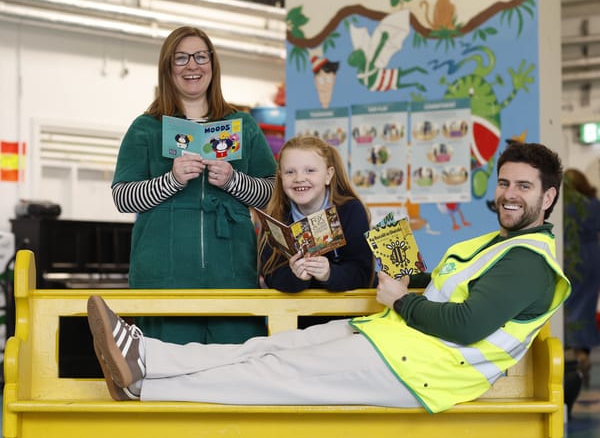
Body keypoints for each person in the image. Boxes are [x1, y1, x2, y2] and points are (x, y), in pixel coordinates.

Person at [88, 142, 570, 412]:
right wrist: (406, 274)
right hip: (394, 338)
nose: (509, 193)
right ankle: (146, 353)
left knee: (275, 375)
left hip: (419, 367)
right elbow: (434, 289)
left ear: (547, 198)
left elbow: (464, 324)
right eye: (505, 182)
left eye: (523, 186)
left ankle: (145, 386)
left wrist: (401, 298)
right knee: (267, 349)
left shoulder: (531, 260)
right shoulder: (491, 244)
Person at [111, 26, 276, 344]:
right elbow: (123, 197)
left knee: (236, 369)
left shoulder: (243, 126)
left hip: (232, 276)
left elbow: (269, 193)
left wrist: (233, 180)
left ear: (212, 64)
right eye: (181, 58)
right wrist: (171, 180)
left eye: (201, 56)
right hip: (163, 278)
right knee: (168, 371)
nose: (192, 66)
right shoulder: (146, 128)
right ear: (167, 68)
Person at [259, 135, 374, 294]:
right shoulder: (275, 215)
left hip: (346, 315)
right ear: (280, 176)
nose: (299, 178)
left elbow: (362, 274)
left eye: (310, 171)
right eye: (290, 172)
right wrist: (297, 277)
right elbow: (271, 276)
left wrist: (329, 273)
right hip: (297, 316)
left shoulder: (350, 211)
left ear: (328, 175)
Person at [562, 168, 600, 387]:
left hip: (569, 257)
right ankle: (582, 352)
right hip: (592, 258)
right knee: (585, 306)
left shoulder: (564, 206)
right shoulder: (594, 204)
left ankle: (574, 356)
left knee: (569, 304)